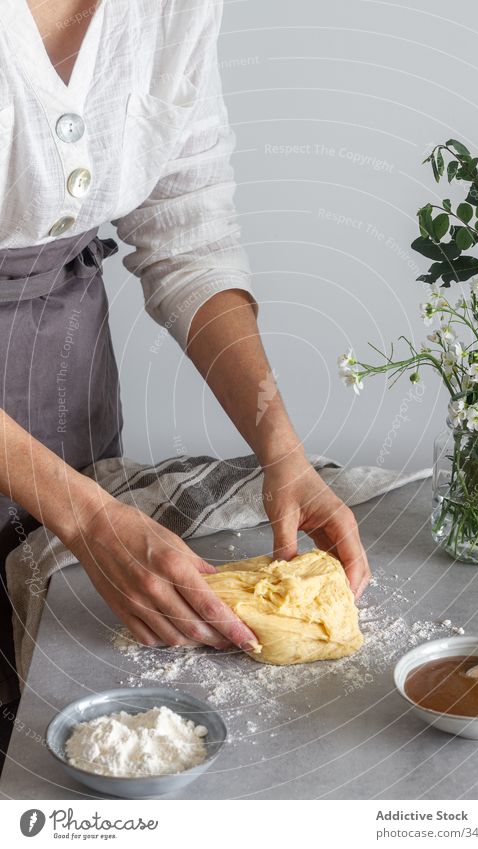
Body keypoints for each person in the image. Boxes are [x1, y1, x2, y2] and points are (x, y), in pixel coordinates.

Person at [0, 0, 370, 721]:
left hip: (66, 385)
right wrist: (88, 520)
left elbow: (188, 233)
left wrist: (281, 451)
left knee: (54, 712)